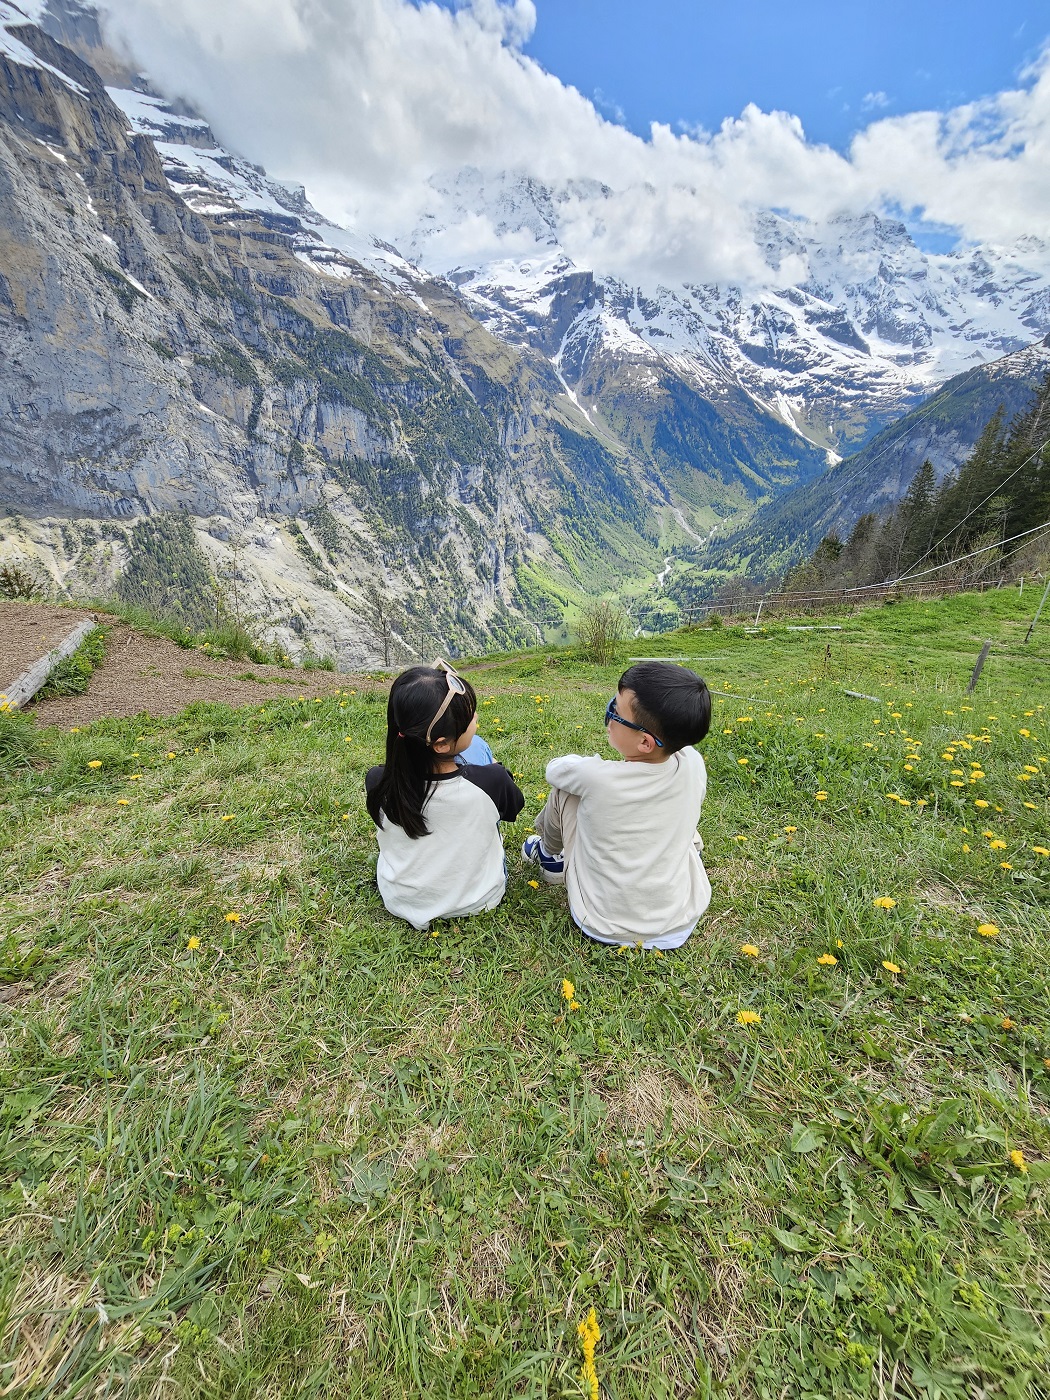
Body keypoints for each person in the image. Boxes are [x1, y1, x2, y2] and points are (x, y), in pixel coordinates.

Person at [523, 661, 711, 950]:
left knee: (565, 792)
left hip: (602, 924)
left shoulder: (596, 778)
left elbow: (556, 769)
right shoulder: (693, 763)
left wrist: (588, 765)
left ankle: (549, 856)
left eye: (616, 712)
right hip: (678, 921)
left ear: (645, 743)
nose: (609, 715)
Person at [365, 661, 524, 929]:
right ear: (441, 745)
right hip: (478, 899)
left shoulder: (378, 781)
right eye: (469, 719)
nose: (475, 718)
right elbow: (513, 808)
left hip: (400, 901)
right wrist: (495, 770)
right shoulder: (491, 781)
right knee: (479, 747)